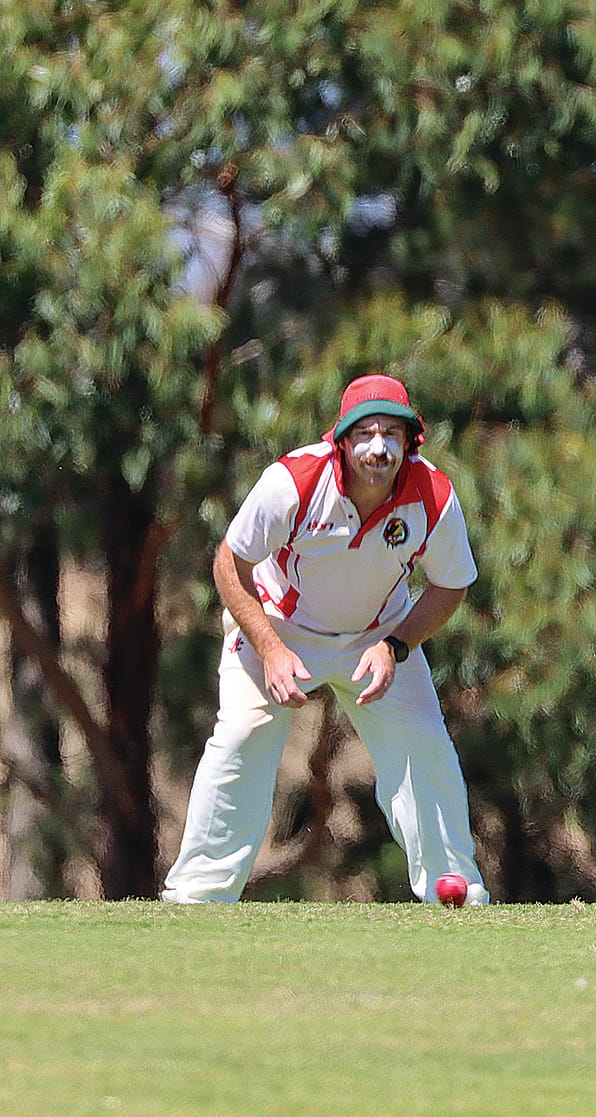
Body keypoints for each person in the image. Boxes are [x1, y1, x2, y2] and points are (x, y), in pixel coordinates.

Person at [162, 375, 488, 905]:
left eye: (392, 435)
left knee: (425, 746)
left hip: (379, 634)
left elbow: (451, 585)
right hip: (279, 624)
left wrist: (395, 646)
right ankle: (197, 896)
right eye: (365, 434)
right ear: (341, 439)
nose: (378, 449)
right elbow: (229, 563)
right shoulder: (292, 482)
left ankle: (453, 889)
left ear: (410, 442)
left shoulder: (433, 496)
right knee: (243, 734)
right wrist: (270, 649)